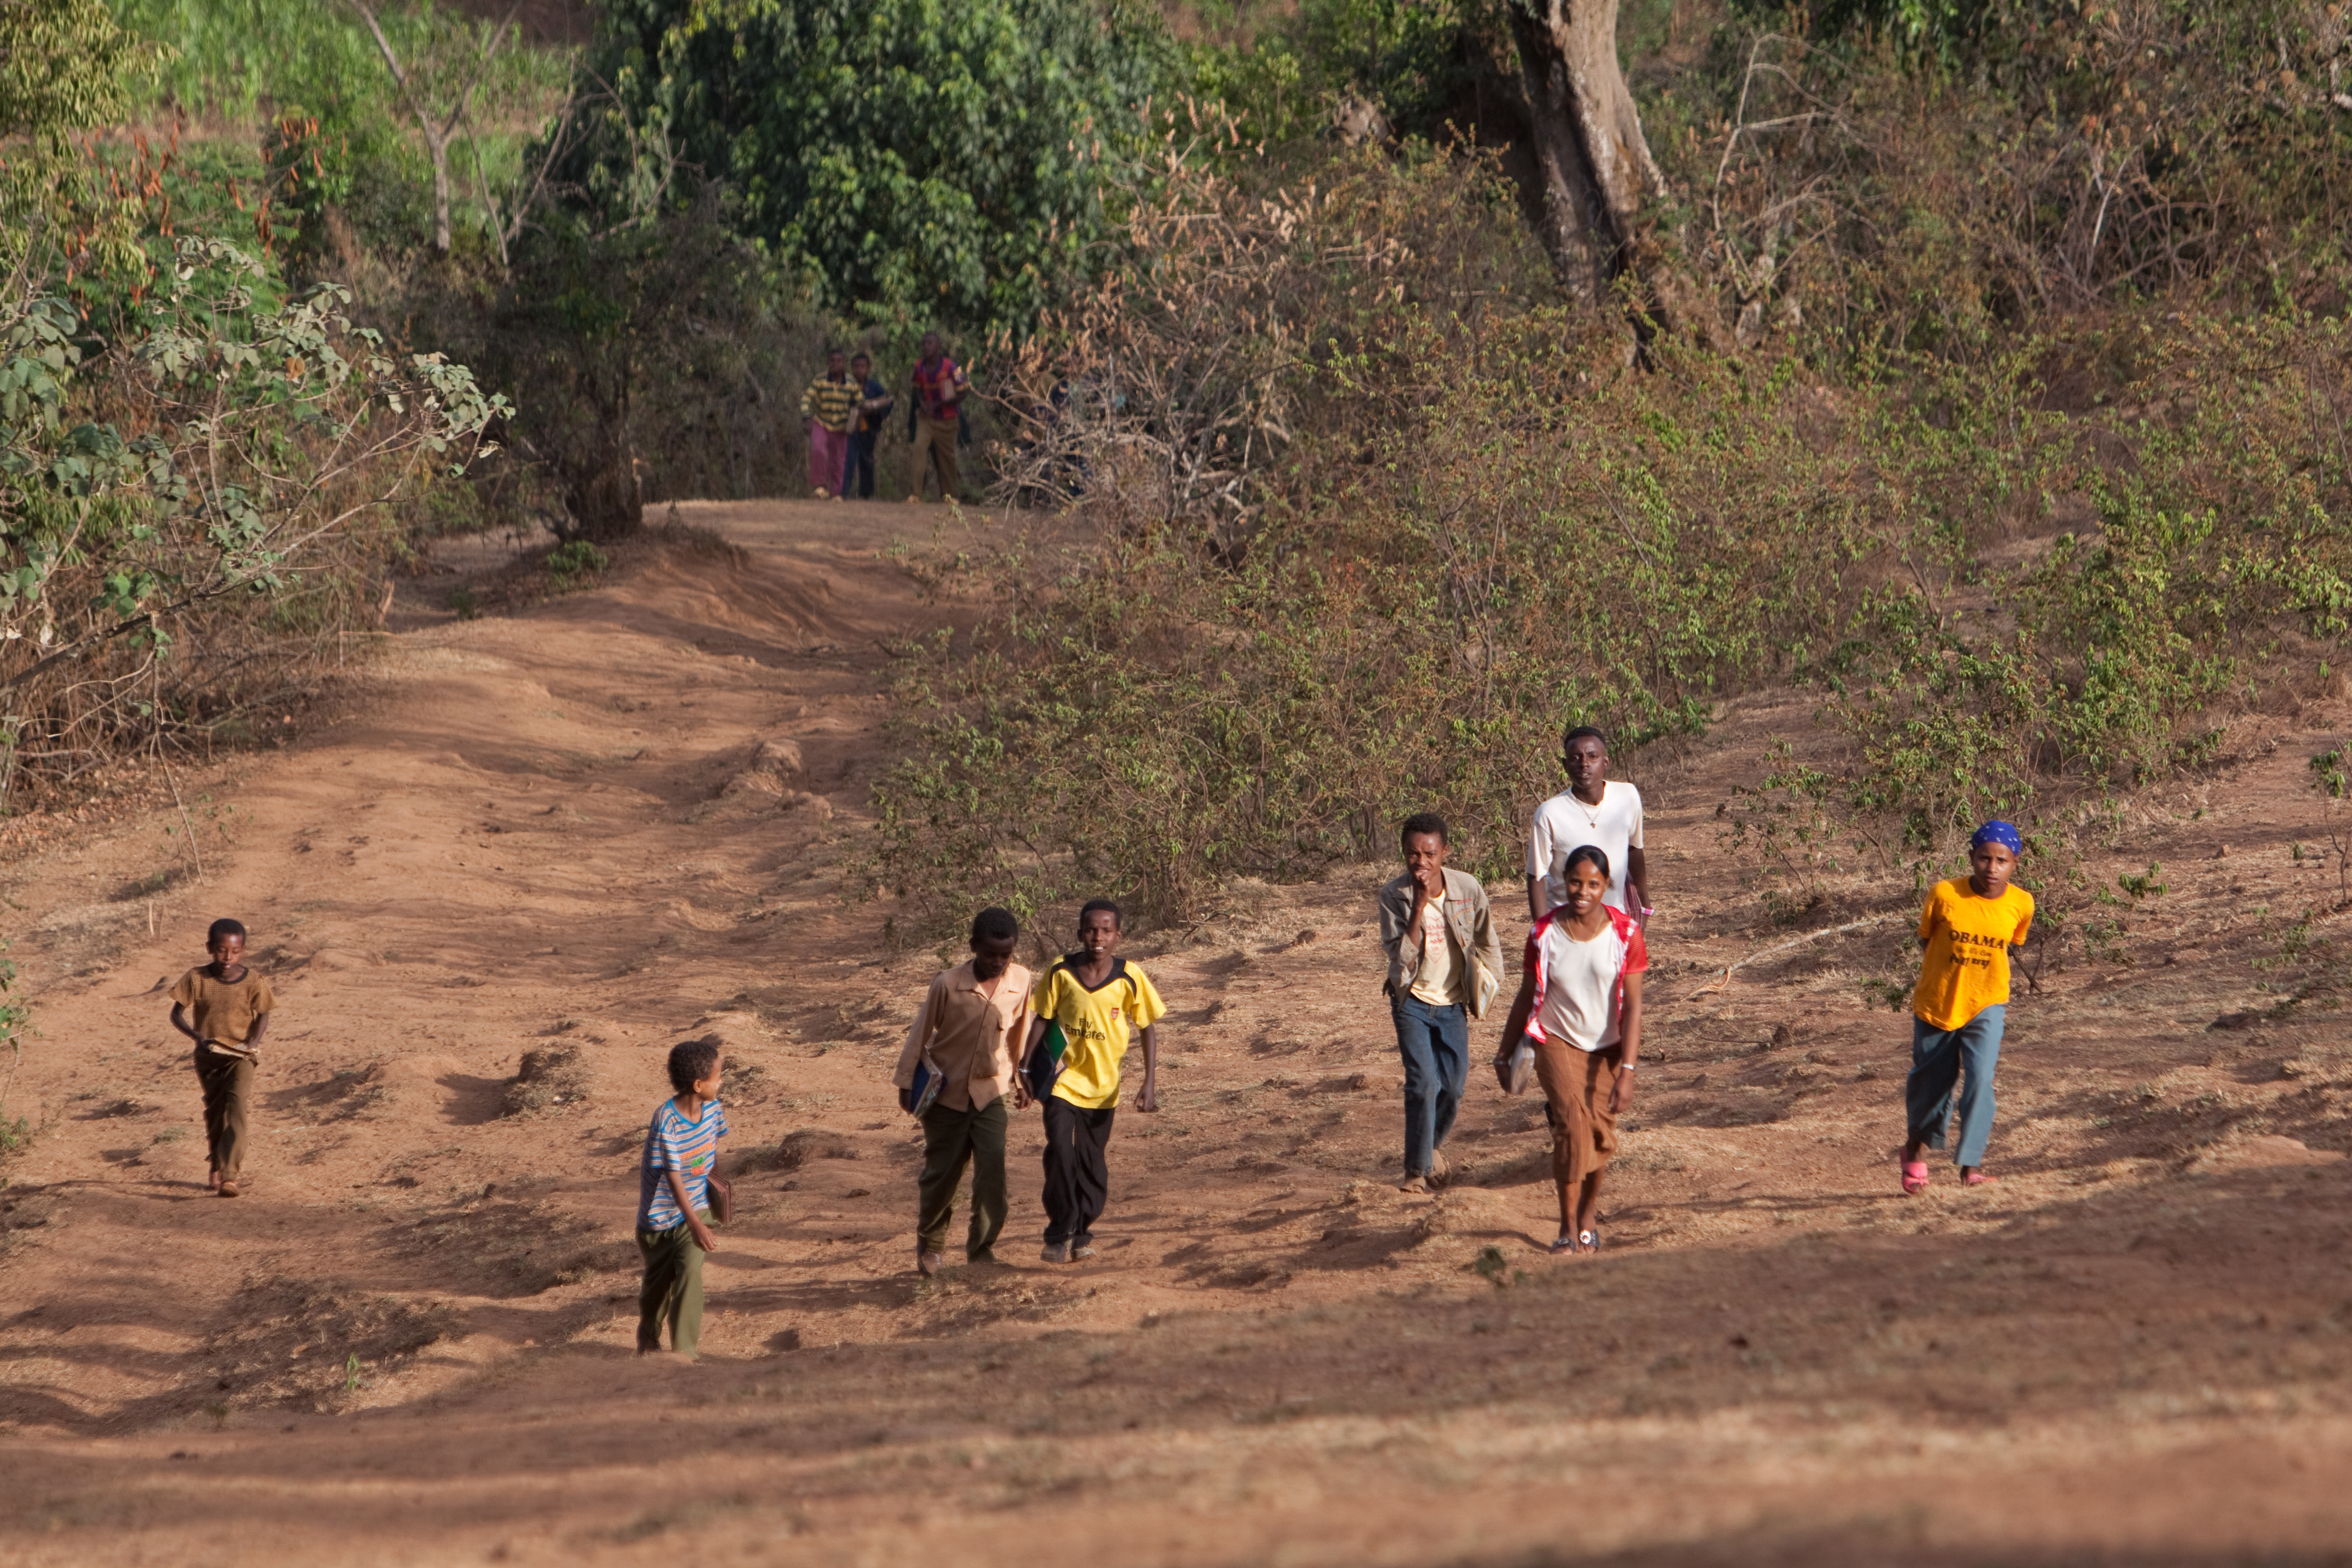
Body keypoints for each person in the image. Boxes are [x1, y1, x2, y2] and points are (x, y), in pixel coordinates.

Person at [1494, 845, 1647, 1254]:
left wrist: (1628, 1071)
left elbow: (1633, 1008)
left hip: (1609, 1049)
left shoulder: (1626, 934)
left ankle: (1588, 1214)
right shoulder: (1543, 933)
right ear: (1563, 883)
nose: (1583, 891)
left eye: (1593, 884)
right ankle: (1565, 1224)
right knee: (1571, 1126)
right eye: (1575, 882)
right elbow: (1527, 994)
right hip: (1556, 1040)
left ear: (1606, 886)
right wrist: (1503, 1052)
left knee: (1600, 1134)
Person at [1021, 899, 1165, 1263]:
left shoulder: (1130, 976)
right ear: (1079, 933)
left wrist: (1149, 1081)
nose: (1097, 937)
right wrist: (1024, 1067)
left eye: (1105, 930)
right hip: (1061, 1080)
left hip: (1104, 1087)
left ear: (1119, 935)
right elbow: (1042, 1018)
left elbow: (1147, 1027)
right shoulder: (1061, 971)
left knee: (1091, 1162)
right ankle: (1058, 1233)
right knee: (1059, 1151)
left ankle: (1082, 1232)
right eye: (1090, 929)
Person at [893, 906, 1034, 1276]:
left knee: (993, 1172)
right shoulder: (948, 984)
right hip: (946, 1095)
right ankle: (932, 1246)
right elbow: (920, 1033)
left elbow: (1020, 1034)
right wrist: (907, 1083)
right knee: (943, 1174)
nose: (998, 962)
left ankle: (982, 1250)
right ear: (974, 947)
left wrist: (1021, 1080)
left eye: (1006, 955)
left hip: (992, 1091)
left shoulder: (1021, 981)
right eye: (990, 954)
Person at [1901, 822, 2035, 1194]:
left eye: (2001, 861)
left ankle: (1971, 1165)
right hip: (1938, 1003)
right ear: (1972, 858)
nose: (1992, 868)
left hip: (1987, 1002)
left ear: (2014, 864)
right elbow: (1926, 940)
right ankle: (1915, 1150)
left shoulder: (2021, 904)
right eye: (1984, 859)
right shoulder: (1945, 894)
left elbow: (2009, 945)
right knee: (1933, 1085)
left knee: (1980, 1080)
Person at [1377, 812, 1504, 1193]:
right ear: (1404, 854)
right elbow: (1400, 961)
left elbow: (1486, 935)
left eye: (1429, 854)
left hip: (1452, 1005)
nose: (1422, 863)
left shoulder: (1467, 888)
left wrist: (1491, 982)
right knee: (1423, 1084)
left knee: (1453, 1085)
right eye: (1413, 855)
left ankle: (1429, 1149)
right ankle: (1416, 1173)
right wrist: (1417, 906)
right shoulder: (1393, 897)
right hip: (1411, 1001)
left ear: (1444, 852)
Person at [168, 917, 274, 1198]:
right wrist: (197, 1037)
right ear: (209, 948)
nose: (228, 958)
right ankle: (216, 1161)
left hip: (241, 1057)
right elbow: (176, 1014)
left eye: (235, 951)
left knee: (236, 1107)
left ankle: (230, 1176)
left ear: (244, 951)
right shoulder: (196, 978)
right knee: (216, 1112)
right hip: (208, 1056)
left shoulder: (254, 981)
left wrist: (254, 1042)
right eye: (221, 950)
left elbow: (264, 1012)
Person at [637, 1037, 727, 1359]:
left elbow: (711, 1149)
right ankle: (648, 1335)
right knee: (658, 1288)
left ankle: (684, 1353)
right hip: (660, 1219)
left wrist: (717, 1189)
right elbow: (673, 1177)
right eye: (718, 1077)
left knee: (690, 1271)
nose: (722, 1082)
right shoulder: (667, 1120)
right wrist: (698, 1226)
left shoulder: (714, 1109)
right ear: (699, 1084)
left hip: (695, 1210)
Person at [1527, 725, 1650, 929]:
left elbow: (1634, 849)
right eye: (1575, 758)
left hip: (1613, 923)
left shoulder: (1627, 796)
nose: (1584, 764)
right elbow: (1536, 876)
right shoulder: (1549, 813)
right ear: (1565, 765)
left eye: (1593, 756)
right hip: (1566, 926)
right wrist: (1542, 932)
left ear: (1606, 761)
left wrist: (1644, 905)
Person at [906, 331, 971, 504]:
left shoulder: (952, 368)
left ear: (938, 346)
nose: (926, 347)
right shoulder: (919, 366)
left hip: (948, 420)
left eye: (930, 343)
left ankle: (950, 496)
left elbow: (963, 392)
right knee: (919, 451)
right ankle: (916, 494)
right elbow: (918, 388)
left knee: (947, 458)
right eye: (924, 344)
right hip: (926, 419)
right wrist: (923, 403)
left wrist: (937, 404)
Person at [800, 348, 859, 499]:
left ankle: (836, 494)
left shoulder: (851, 382)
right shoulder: (820, 380)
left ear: (844, 363)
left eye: (839, 361)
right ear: (827, 363)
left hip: (841, 427)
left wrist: (856, 418)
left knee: (839, 461)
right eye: (832, 361)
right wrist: (807, 417)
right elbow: (806, 398)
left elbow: (860, 402)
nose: (835, 364)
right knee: (818, 449)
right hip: (822, 422)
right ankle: (820, 486)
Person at [843, 351, 892, 500]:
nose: (860, 370)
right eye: (856, 366)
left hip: (867, 430)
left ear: (869, 368)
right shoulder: (846, 385)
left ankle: (866, 495)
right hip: (849, 429)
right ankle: (843, 493)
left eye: (863, 366)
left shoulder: (874, 387)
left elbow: (886, 403)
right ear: (851, 367)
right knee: (848, 461)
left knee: (867, 461)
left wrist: (872, 411)